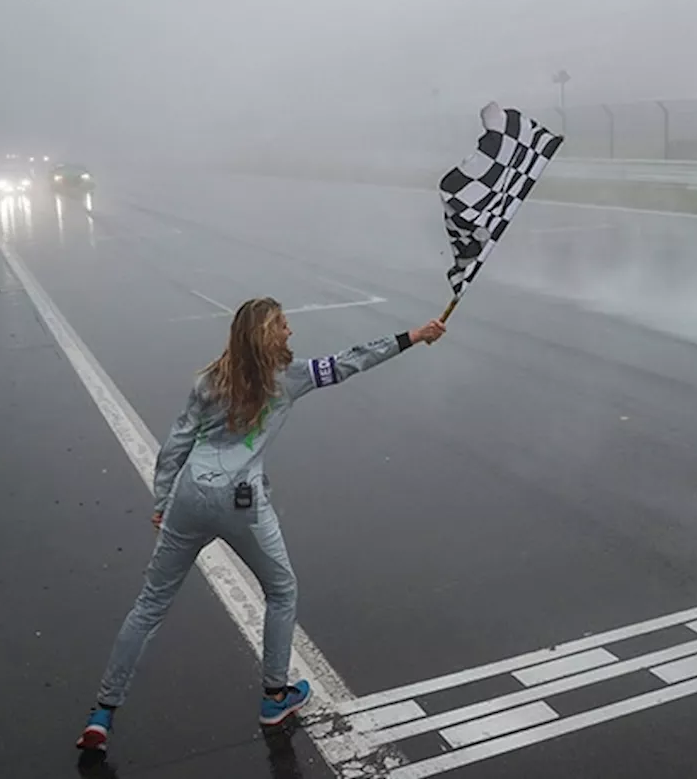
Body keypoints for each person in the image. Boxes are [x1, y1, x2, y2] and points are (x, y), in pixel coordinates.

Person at [75, 296, 446, 752]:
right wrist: (414, 336)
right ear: (269, 336)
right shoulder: (290, 378)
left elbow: (175, 444)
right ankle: (275, 696)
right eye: (284, 326)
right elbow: (353, 361)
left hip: (189, 498)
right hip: (242, 503)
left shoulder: (208, 380)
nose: (291, 332)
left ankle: (102, 713)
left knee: (150, 605)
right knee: (282, 590)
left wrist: (162, 500)